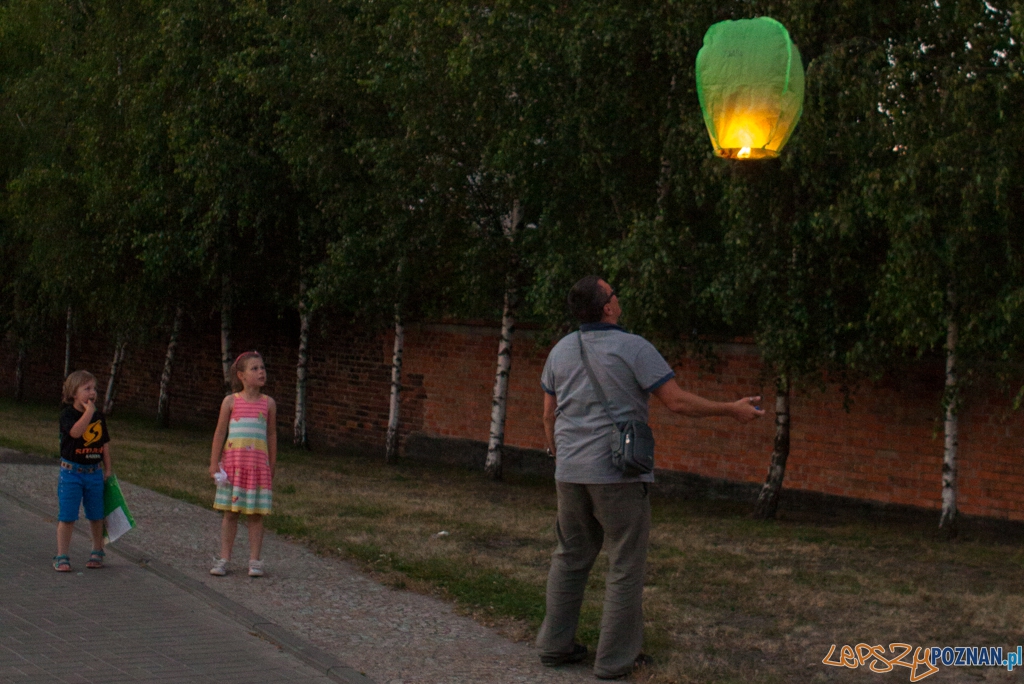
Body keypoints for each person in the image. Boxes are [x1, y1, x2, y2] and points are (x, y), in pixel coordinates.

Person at [536, 275, 764, 680]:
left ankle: (554, 646)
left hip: (568, 471)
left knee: (569, 558)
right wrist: (731, 408)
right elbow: (676, 402)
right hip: (617, 474)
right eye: (613, 294)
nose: (617, 298)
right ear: (607, 307)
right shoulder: (633, 347)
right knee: (625, 564)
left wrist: (558, 453)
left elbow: (548, 413)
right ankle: (615, 662)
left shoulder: (561, 350)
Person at [209, 351, 277, 577]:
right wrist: (213, 463)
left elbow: (271, 435)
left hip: (257, 469)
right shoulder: (230, 402)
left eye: (262, 368)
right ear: (241, 376)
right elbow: (220, 432)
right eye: (255, 369)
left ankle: (255, 560)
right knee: (230, 514)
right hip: (233, 468)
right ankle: (224, 558)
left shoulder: (268, 404)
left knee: (255, 515)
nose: (261, 372)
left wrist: (272, 465)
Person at [55, 370, 113, 572]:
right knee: (68, 516)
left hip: (93, 472)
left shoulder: (98, 416)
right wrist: (88, 412)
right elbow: (76, 432)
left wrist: (108, 469)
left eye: (94, 388)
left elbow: (104, 443)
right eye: (86, 389)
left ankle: (97, 549)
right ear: (73, 393)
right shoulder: (67, 415)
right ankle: (62, 554)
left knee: (96, 514)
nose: (92, 392)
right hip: (72, 473)